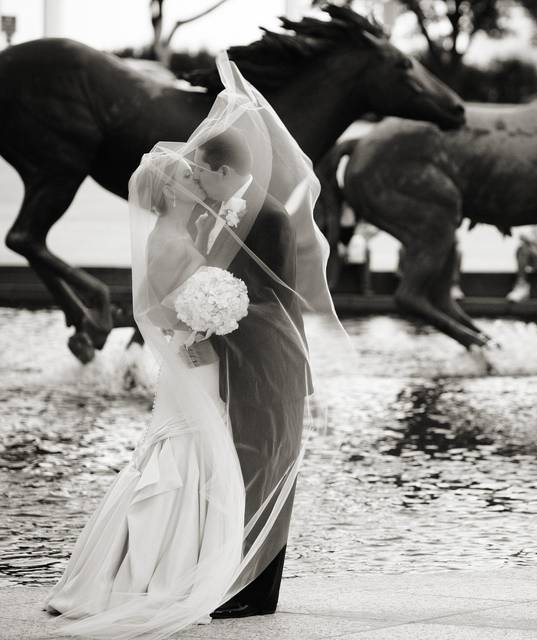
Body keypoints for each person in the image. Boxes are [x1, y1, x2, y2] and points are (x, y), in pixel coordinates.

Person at [43, 54, 350, 639]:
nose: (195, 179)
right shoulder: (206, 217)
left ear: (223, 171)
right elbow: (180, 290)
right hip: (219, 358)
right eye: (192, 176)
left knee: (264, 464)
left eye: (201, 172)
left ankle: (256, 591)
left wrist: (220, 311)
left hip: (263, 357)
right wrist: (203, 315)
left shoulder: (272, 217)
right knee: (224, 468)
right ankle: (218, 573)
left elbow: (281, 299)